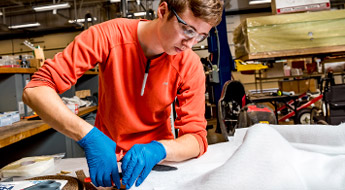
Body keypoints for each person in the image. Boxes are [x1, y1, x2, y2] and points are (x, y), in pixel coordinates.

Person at [22, 0, 223, 188]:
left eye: (201, 36)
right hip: (109, 160)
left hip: (160, 164)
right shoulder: (108, 35)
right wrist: (89, 136)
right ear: (162, 11)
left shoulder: (189, 64)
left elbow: (196, 139)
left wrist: (160, 150)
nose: (190, 43)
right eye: (188, 30)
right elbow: (36, 89)